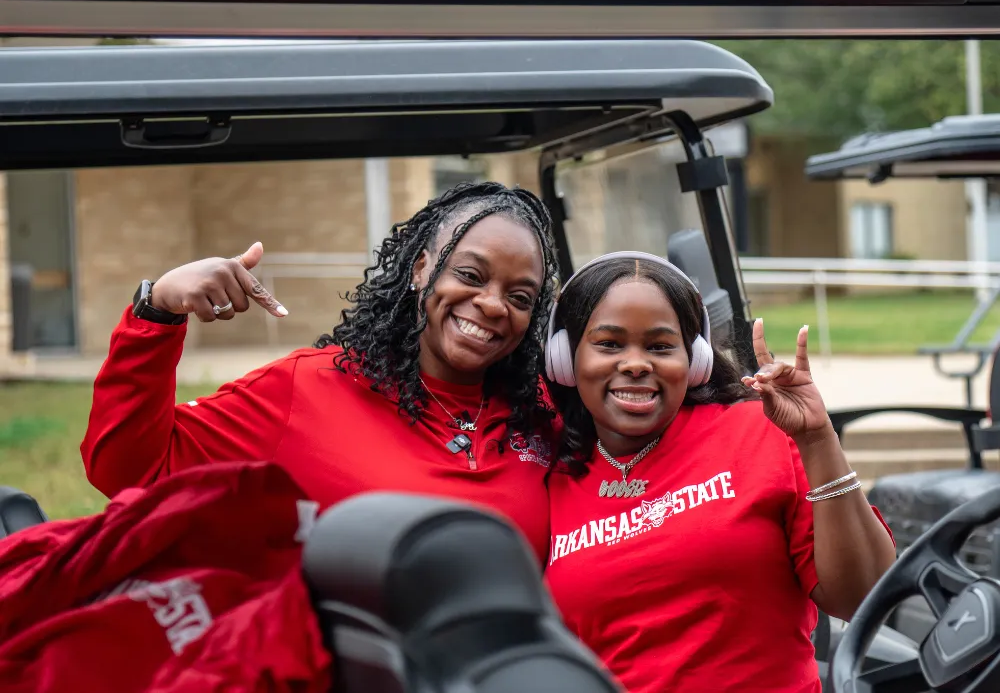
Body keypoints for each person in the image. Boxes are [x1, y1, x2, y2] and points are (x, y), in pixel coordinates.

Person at [80, 181, 560, 566]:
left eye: (520, 297)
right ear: (420, 270)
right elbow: (128, 469)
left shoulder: (544, 410)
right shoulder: (306, 390)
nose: (493, 304)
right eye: (471, 276)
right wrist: (158, 310)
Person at [541, 251, 897, 693]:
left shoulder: (759, 431)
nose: (636, 363)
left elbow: (865, 598)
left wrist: (818, 438)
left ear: (695, 360)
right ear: (564, 357)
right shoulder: (546, 471)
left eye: (660, 346)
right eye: (609, 344)